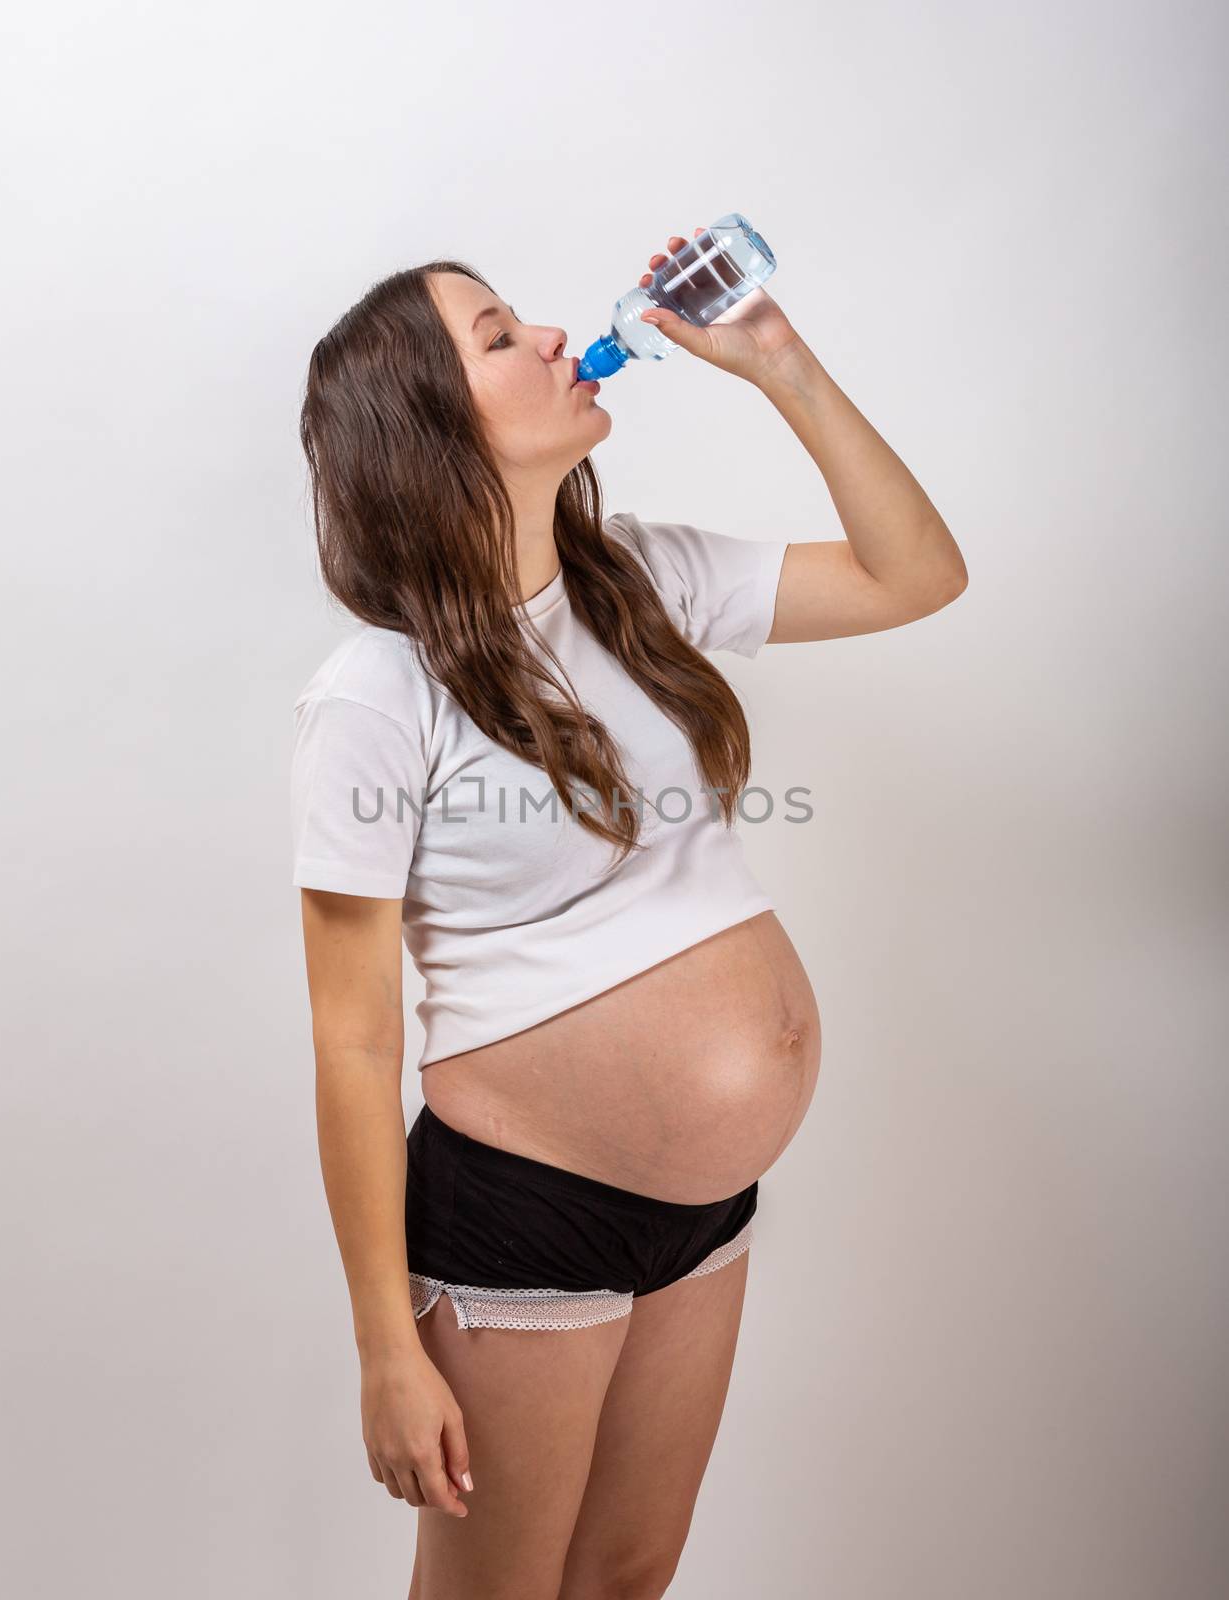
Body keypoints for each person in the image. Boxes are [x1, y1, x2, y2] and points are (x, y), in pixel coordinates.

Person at [291, 228, 968, 1599]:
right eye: (497, 338)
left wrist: (779, 362)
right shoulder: (376, 697)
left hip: (705, 1210)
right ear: (425, 433)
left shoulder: (639, 580)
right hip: (521, 1221)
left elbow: (917, 577)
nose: (550, 335)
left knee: (628, 1576)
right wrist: (383, 1343)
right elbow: (354, 1044)